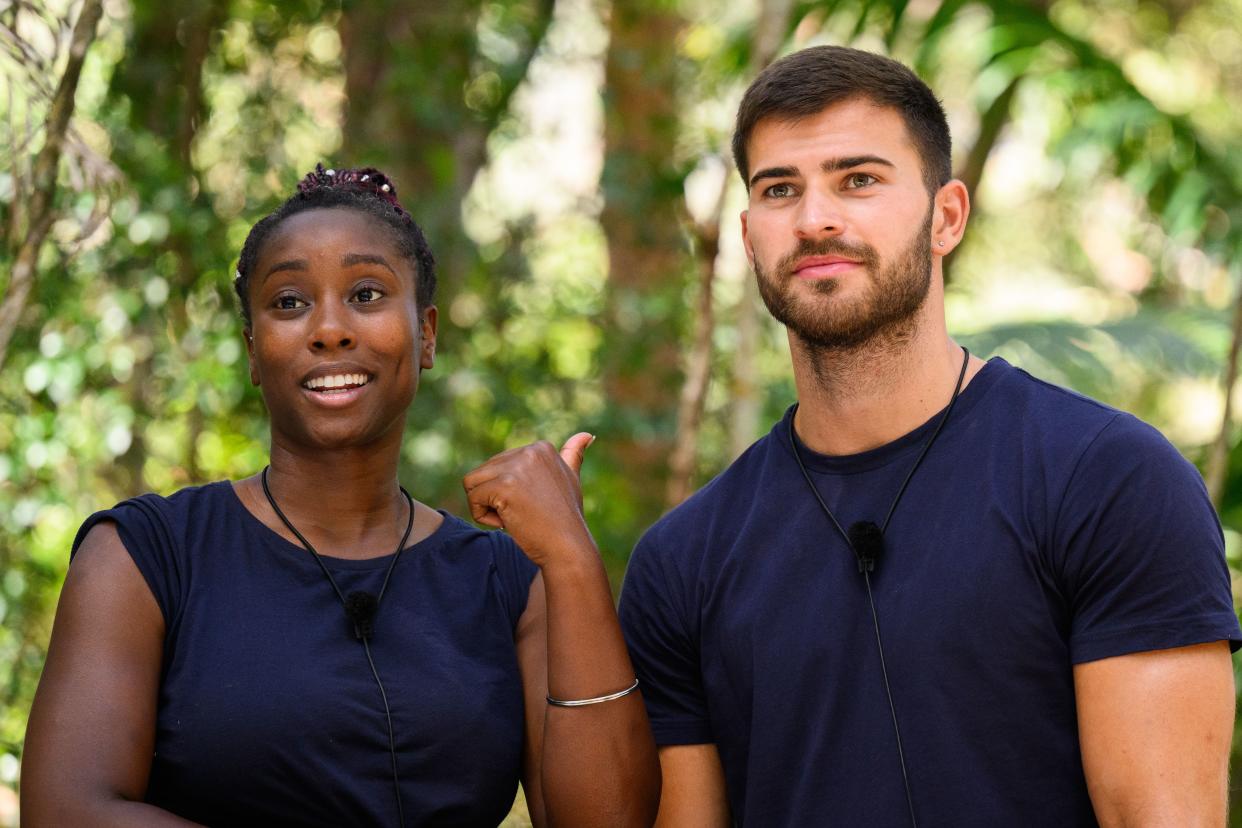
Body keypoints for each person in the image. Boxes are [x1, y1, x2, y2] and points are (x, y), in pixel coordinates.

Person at [618, 46, 1240, 827]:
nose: (815, 219)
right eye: (781, 190)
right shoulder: (683, 559)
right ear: (749, 237)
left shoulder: (1110, 480)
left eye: (859, 180)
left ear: (946, 216)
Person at [22, 165, 659, 827]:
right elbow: (67, 810)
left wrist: (571, 560)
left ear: (427, 334)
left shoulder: (505, 581)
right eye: (290, 302)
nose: (329, 329)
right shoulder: (145, 555)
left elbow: (607, 821)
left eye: (366, 293)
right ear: (251, 350)